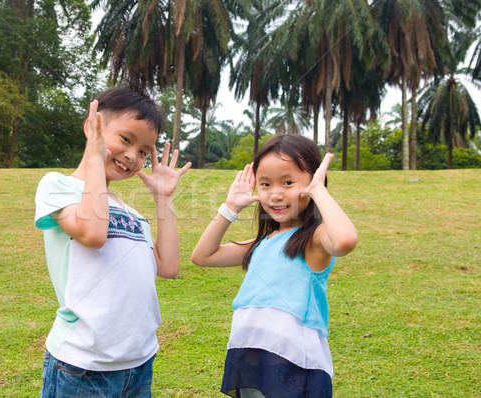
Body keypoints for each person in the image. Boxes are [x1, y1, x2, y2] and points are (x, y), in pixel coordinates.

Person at [34, 86, 191, 397]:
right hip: (82, 366)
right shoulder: (57, 186)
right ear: (92, 126)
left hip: (138, 362)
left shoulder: (131, 214)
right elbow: (93, 234)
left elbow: (169, 266)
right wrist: (94, 157)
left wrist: (163, 199)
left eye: (144, 151)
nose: (133, 156)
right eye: (126, 139)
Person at [191, 135, 358, 398]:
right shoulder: (260, 243)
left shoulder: (312, 240)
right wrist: (230, 208)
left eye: (288, 182)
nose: (276, 194)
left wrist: (319, 190)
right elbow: (202, 256)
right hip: (249, 352)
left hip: (293, 361)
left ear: (312, 181)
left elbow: (345, 240)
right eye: (265, 184)